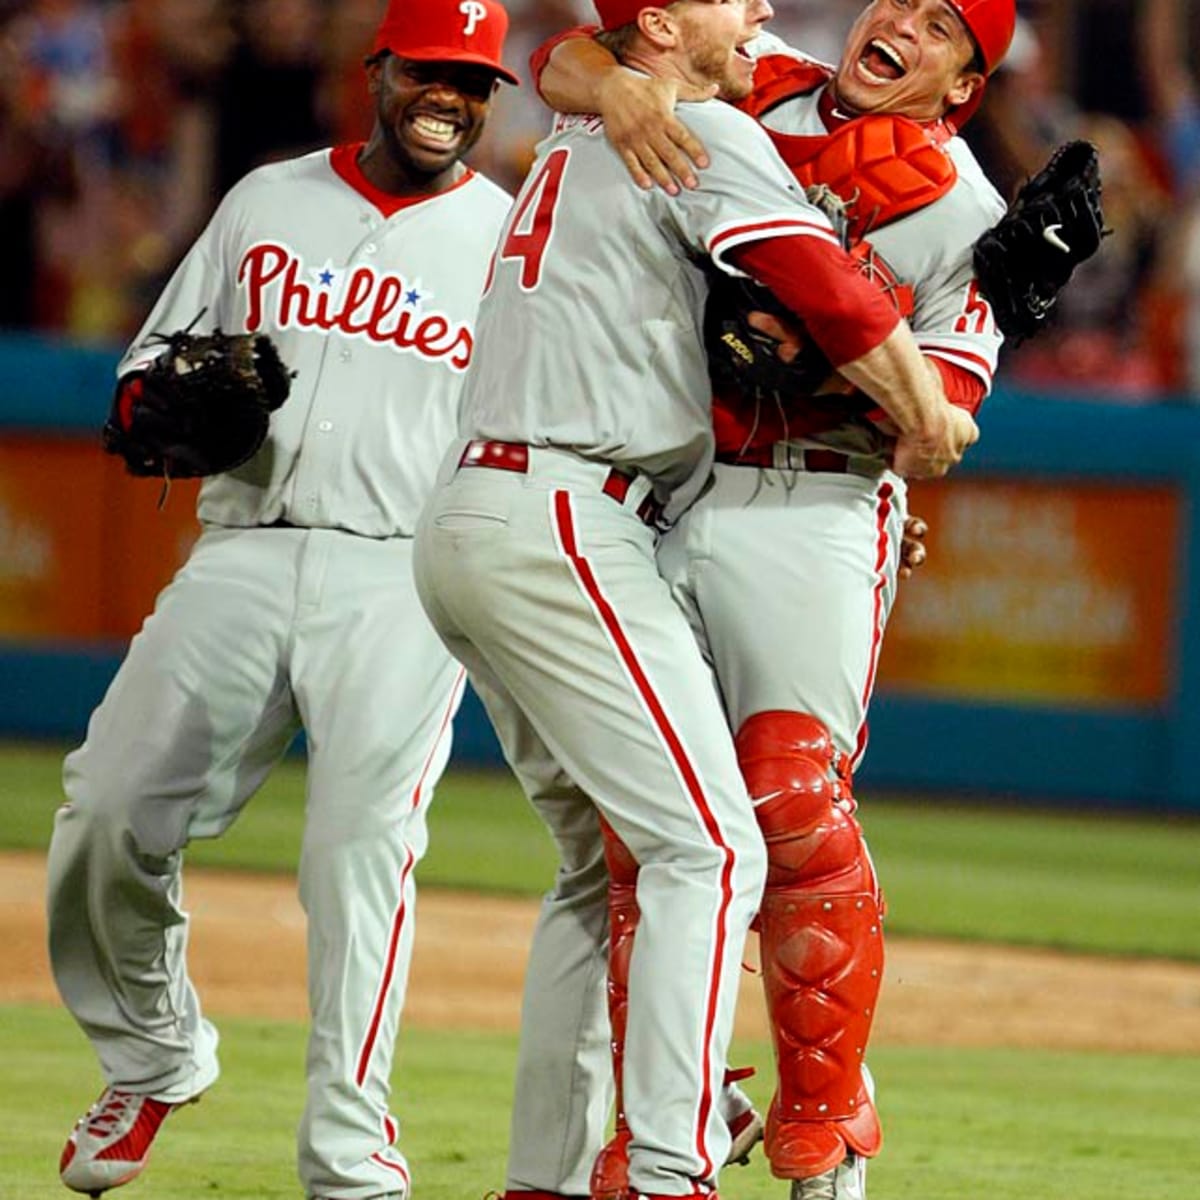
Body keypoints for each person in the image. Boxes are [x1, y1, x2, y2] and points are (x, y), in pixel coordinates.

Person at [413, 0, 977, 1196]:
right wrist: (925, 414)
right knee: (709, 847)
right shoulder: (710, 119)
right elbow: (821, 284)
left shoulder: (651, 108)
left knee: (626, 860)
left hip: (502, 509)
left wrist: (613, 76)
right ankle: (672, 1161)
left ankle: (566, 1169)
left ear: (968, 81)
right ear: (668, 25)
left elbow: (571, 52)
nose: (764, 9)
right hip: (590, 508)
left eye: (944, 25)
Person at [44, 2, 518, 1197]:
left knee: (359, 855)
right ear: (381, 69)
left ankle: (351, 1152)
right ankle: (152, 1054)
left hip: (402, 574)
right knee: (107, 807)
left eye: (472, 77)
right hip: (244, 546)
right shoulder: (268, 199)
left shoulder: (515, 242)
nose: (447, 95)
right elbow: (150, 372)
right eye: (429, 69)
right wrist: (159, 410)